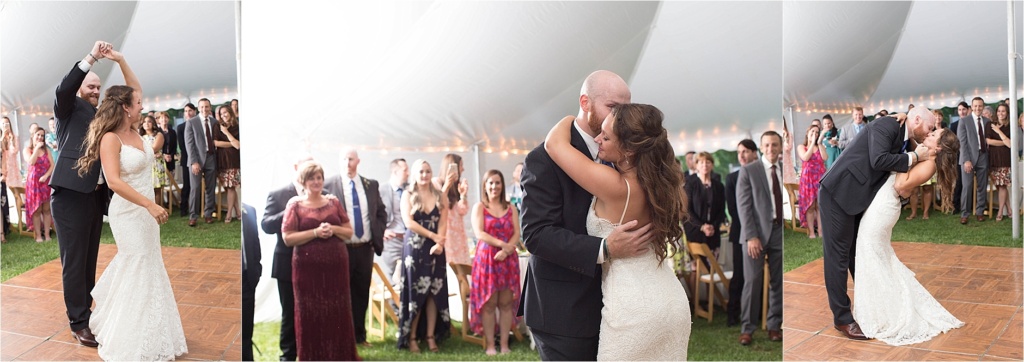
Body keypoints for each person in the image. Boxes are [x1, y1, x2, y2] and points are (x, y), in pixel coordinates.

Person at [518, 70, 653, 360]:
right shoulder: (543, 159)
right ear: (585, 102)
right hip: (563, 309)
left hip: (620, 304)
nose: (621, 119)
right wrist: (604, 248)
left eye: (625, 110)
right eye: (614, 108)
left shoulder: (627, 156)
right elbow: (535, 234)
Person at [543, 102, 690, 360]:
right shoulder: (664, 185)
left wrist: (574, 114)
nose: (598, 138)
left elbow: (553, 144)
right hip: (671, 300)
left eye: (606, 136)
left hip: (633, 309)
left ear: (630, 150)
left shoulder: (616, 185)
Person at [73, 45, 187, 360]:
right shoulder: (112, 138)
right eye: (137, 103)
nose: (142, 105)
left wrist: (121, 59)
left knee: (150, 265)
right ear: (125, 107)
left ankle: (153, 331)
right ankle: (127, 332)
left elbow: (134, 87)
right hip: (129, 212)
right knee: (136, 263)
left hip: (148, 213)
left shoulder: (137, 131)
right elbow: (114, 181)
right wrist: (149, 206)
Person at [819, 107, 937, 340]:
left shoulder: (905, 133)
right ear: (916, 120)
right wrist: (915, 157)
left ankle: (869, 308)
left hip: (856, 198)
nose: (931, 131)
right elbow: (879, 159)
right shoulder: (887, 125)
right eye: (930, 127)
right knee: (838, 257)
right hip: (838, 193)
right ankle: (842, 319)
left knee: (855, 256)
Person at [853, 128, 964, 345]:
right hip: (882, 203)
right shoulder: (925, 157)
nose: (929, 134)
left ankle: (888, 313)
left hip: (884, 208)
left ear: (939, 147)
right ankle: (879, 308)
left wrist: (908, 161)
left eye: (934, 135)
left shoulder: (930, 164)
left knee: (871, 253)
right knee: (875, 256)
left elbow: (900, 184)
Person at [50, 40, 116, 348]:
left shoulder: (101, 114)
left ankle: (86, 314)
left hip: (93, 196)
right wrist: (91, 58)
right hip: (69, 196)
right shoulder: (68, 107)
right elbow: (64, 88)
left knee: (89, 260)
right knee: (74, 262)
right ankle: (78, 322)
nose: (94, 90)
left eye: (98, 87)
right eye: (90, 85)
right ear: (80, 87)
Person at [281, 161, 359, 361]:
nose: (316, 182)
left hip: (336, 266)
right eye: (312, 178)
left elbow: (349, 232)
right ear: (303, 181)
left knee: (338, 309)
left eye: (319, 178)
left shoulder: (333, 202)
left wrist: (333, 229)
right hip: (307, 269)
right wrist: (315, 232)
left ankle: (340, 355)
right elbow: (288, 238)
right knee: (309, 312)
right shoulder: (295, 205)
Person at [324, 148, 387, 347]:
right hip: (341, 248)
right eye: (343, 159)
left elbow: (381, 213)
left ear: (358, 161)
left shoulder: (370, 185)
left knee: (361, 293)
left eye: (350, 159)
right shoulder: (329, 185)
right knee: (340, 293)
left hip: (364, 248)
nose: (347, 162)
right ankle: (340, 336)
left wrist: (376, 231)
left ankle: (359, 336)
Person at [260, 155, 313, 361]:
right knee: (290, 313)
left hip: (313, 263)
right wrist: (291, 209)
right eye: (305, 168)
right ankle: (288, 356)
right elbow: (266, 224)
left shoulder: (322, 195)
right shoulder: (280, 194)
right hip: (286, 263)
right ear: (296, 168)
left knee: (311, 310)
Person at [735, 131, 785, 346]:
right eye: (767, 145)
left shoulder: (785, 170)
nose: (771, 149)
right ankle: (747, 328)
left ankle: (774, 326)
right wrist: (751, 236)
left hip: (779, 232)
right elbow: (744, 207)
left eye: (775, 145)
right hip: (755, 235)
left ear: (780, 147)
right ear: (761, 147)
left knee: (778, 282)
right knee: (753, 282)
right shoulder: (748, 171)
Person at [397, 159, 451, 353]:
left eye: (428, 171)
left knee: (432, 293)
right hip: (415, 248)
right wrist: (432, 236)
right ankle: (411, 337)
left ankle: (430, 336)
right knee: (416, 293)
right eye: (421, 172)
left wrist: (439, 242)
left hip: (436, 247)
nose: (424, 175)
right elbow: (408, 223)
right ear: (414, 174)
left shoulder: (440, 195)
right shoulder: (408, 195)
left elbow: (444, 220)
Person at [469, 169, 522, 356]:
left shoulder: (511, 208)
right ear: (485, 185)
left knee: (506, 303)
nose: (494, 186)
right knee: (490, 304)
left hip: (508, 261)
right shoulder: (479, 207)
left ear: (502, 184)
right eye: (490, 183)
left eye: (497, 182)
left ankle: (505, 344)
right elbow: (480, 233)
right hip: (487, 260)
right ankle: (491, 345)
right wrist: (504, 246)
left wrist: (508, 250)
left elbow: (517, 232)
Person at [725, 139, 758, 327]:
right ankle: (733, 313)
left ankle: (756, 312)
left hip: (763, 233)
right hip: (740, 232)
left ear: (754, 153)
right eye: (739, 152)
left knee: (757, 275)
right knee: (739, 275)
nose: (742, 155)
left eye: (746, 151)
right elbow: (734, 210)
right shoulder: (732, 178)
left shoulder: (763, 174)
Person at [183, 98, 218, 226]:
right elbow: (189, 144)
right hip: (196, 159)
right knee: (195, 188)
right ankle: (193, 216)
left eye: (207, 107)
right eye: (202, 107)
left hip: (211, 158)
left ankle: (208, 214)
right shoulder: (191, 122)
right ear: (198, 108)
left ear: (210, 107)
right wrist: (194, 162)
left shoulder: (214, 122)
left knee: (211, 187)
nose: (204, 109)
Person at [683, 152, 725, 252]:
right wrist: (702, 226)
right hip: (695, 232)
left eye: (708, 162)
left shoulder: (719, 186)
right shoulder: (690, 184)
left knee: (713, 265)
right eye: (701, 162)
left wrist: (712, 226)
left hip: (713, 232)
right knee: (699, 265)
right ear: (696, 165)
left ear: (712, 165)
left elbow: (721, 210)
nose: (705, 165)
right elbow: (687, 210)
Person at [958, 97, 990, 224]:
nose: (978, 108)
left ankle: (980, 212)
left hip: (983, 156)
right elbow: (962, 142)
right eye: (975, 106)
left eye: (980, 106)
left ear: (983, 107)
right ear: (972, 107)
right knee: (967, 186)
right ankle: (965, 213)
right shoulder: (964, 121)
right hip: (968, 158)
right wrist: (966, 160)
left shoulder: (987, 121)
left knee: (982, 186)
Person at [433, 153, 470, 265]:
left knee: (461, 271)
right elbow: (438, 205)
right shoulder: (436, 183)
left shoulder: (456, 186)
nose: (462, 169)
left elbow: (462, 211)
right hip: (445, 233)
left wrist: (463, 195)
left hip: (458, 235)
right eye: (460, 166)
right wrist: (447, 186)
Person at [378, 158, 409, 286]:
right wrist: (382, 231)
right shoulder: (382, 189)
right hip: (392, 241)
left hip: (408, 238)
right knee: (396, 278)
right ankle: (395, 305)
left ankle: (407, 305)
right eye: (405, 170)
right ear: (395, 171)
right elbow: (372, 214)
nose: (408, 173)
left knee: (409, 275)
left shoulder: (410, 190)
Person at [22, 127, 55, 242]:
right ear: (33, 136)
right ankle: (39, 236)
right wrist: (36, 148)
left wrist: (46, 176)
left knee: (46, 209)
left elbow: (52, 165)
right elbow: (31, 161)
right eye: (38, 135)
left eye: (42, 135)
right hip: (34, 184)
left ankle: (47, 234)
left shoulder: (47, 150)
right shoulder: (27, 150)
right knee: (36, 210)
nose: (40, 137)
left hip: (45, 182)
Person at [798, 124, 827, 238]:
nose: (814, 134)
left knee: (820, 205)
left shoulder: (820, 146)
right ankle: (811, 232)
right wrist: (811, 143)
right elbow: (805, 157)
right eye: (812, 131)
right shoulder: (801, 146)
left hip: (820, 178)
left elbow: (825, 158)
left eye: (817, 132)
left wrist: (818, 143)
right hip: (808, 179)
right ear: (807, 133)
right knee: (810, 207)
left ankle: (820, 231)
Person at [986, 103, 1013, 221]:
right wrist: (1004, 142)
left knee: (1002, 186)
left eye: (1003, 111)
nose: (1001, 113)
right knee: (999, 185)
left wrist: (999, 132)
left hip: (1004, 160)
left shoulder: (1010, 126)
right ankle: (1010, 209)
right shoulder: (989, 124)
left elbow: (1011, 144)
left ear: (1007, 113)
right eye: (999, 111)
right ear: (996, 112)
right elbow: (988, 141)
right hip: (993, 160)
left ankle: (1001, 212)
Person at [214, 105, 240, 223]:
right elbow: (216, 143)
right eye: (221, 113)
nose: (223, 115)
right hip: (221, 161)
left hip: (233, 161)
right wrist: (232, 143)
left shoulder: (237, 127)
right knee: (229, 187)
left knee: (231, 187)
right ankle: (238, 212)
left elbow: (238, 146)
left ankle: (229, 214)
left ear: (230, 112)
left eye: (225, 112)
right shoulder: (217, 126)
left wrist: (226, 133)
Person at [241, 202, 260, 362]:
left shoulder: (250, 211)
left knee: (247, 331)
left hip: (248, 280)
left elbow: (255, 244)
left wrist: (256, 272)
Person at [139, 116, 167, 201]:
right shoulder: (139, 136)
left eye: (149, 121)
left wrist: (144, 152)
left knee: (156, 189)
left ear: (153, 123)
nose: (146, 124)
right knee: (145, 190)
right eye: (144, 122)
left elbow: (154, 149)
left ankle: (157, 211)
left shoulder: (159, 135)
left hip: (156, 165)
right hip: (144, 165)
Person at [175, 104, 194, 217]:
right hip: (186, 159)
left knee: (196, 185)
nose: (188, 113)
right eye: (186, 111)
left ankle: (197, 206)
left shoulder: (198, 124)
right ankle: (183, 208)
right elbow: (182, 146)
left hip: (199, 159)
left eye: (190, 110)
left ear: (194, 111)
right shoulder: (181, 127)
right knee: (187, 185)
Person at [3, 117, 23, 197]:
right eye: (3, 123)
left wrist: (11, 141)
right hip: (4, 167)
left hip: (13, 167)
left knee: (16, 192)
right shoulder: (1, 138)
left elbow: (15, 151)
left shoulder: (14, 137)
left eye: (7, 123)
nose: (5, 125)